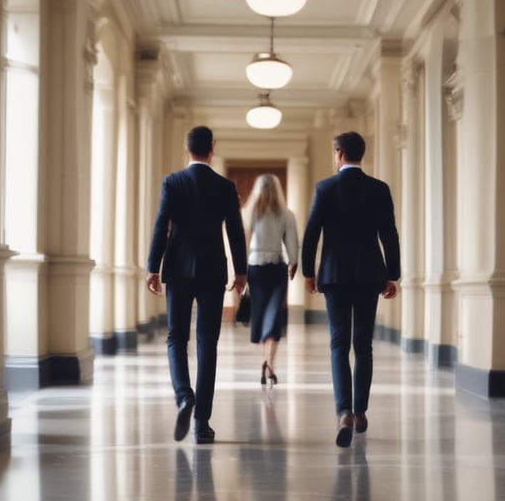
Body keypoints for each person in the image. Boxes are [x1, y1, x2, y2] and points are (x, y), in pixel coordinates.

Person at [146, 126, 247, 444]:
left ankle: (183, 396)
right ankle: (202, 423)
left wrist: (153, 267)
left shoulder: (173, 182)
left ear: (187, 148)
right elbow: (235, 231)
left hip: (177, 268)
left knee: (176, 337)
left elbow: (162, 224)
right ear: (212, 149)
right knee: (208, 343)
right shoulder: (224, 186)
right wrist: (241, 272)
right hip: (213, 270)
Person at [301, 131, 400, 448]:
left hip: (334, 275)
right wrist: (392, 274)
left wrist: (308, 272)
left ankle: (343, 410)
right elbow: (389, 235)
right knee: (364, 344)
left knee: (338, 343)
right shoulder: (379, 189)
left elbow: (311, 233)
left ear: (340, 153)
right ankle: (360, 411)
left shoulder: (325, 188)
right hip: (370, 274)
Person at [243, 173, 299, 386]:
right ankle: (270, 362)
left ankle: (264, 360)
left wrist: (241, 270)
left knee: (259, 313)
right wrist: (293, 263)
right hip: (276, 267)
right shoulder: (286, 214)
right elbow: (292, 243)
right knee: (273, 316)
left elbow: (244, 242)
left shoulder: (250, 213)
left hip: (255, 268)